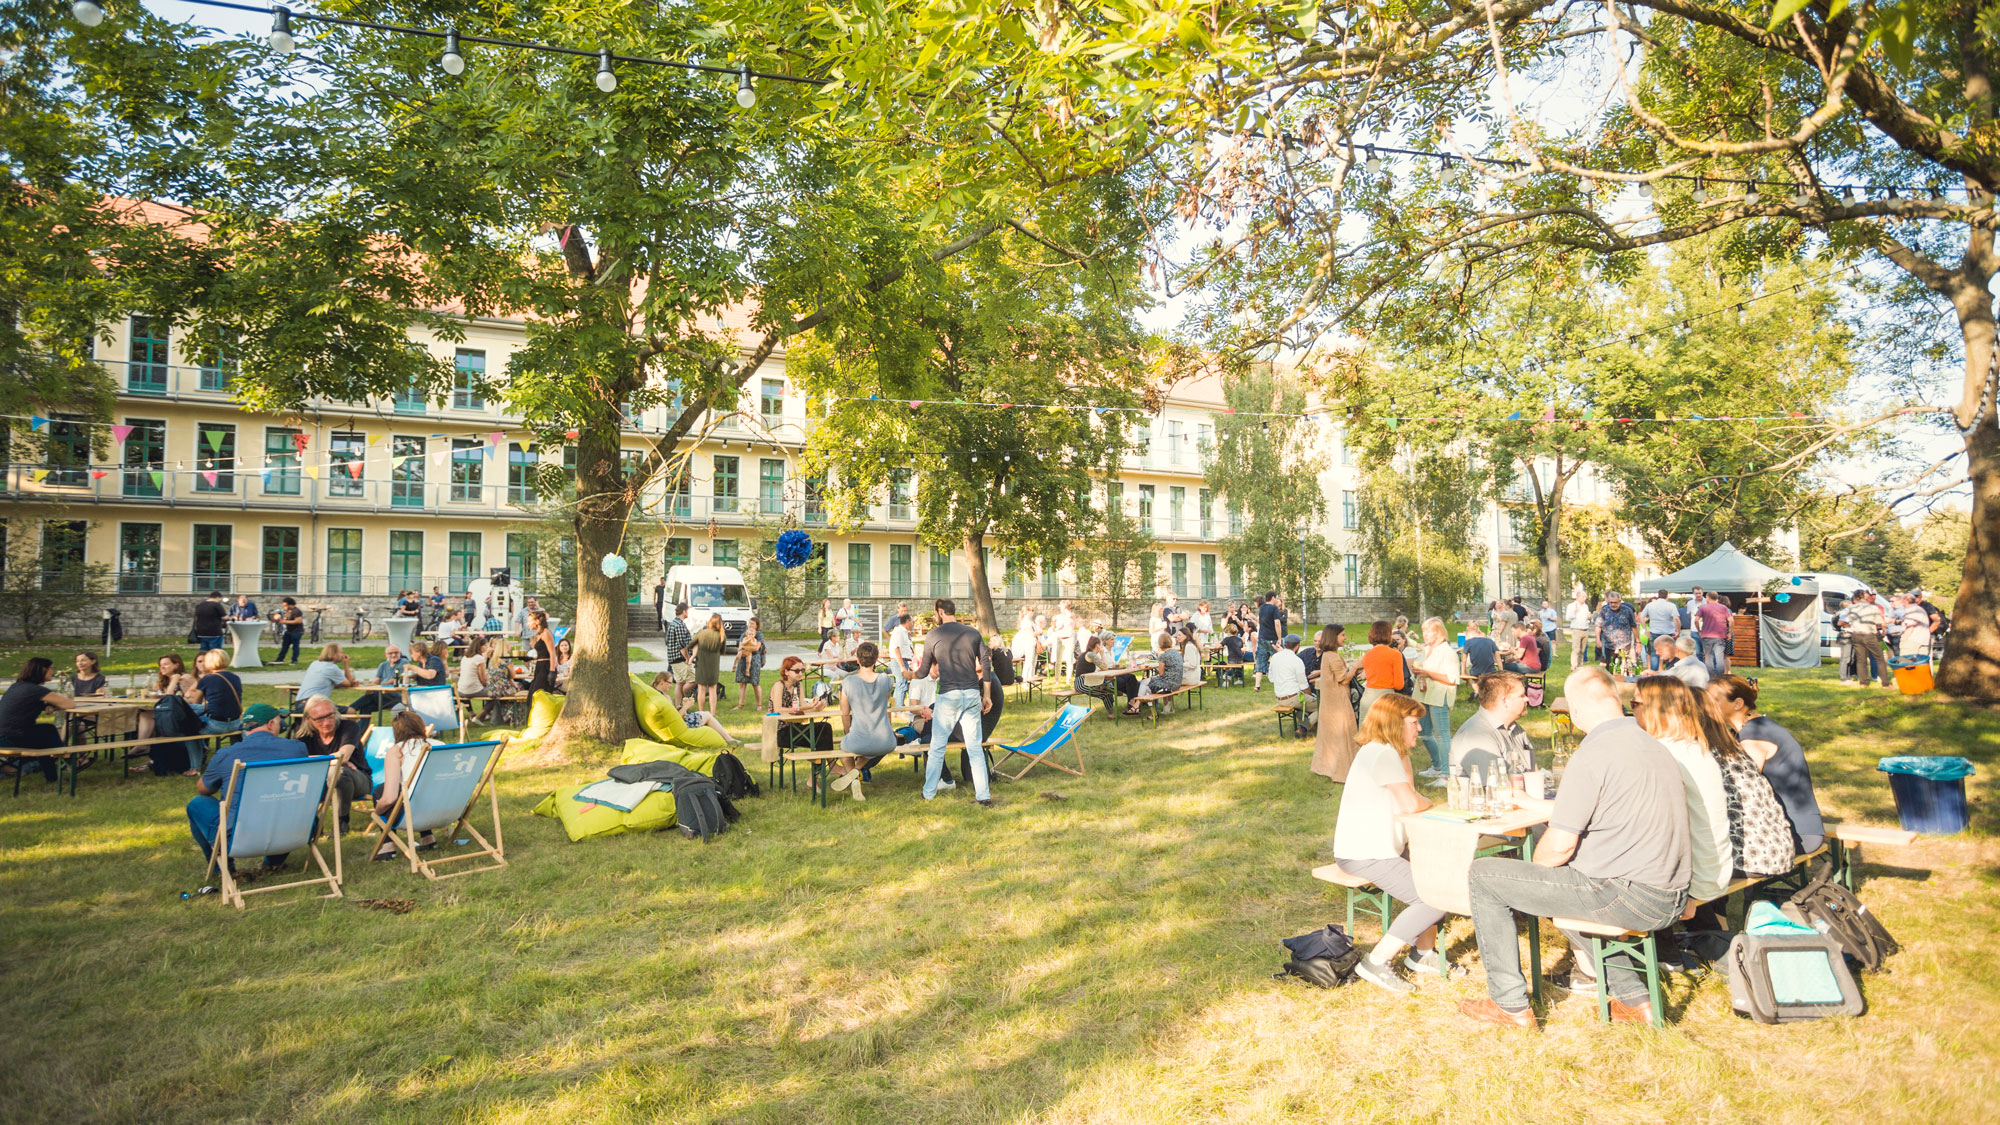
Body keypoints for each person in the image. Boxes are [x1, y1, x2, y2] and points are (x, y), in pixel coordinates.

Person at [1458, 667, 1691, 1029]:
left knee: (1483, 875)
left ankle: (1509, 1005)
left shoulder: (1594, 751)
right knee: (1568, 889)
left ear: (1577, 711)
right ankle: (1634, 1002)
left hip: (1627, 894)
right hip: (1671, 892)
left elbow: (1559, 848)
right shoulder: (1650, 743)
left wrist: (1538, 866)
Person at [1336, 694, 1449, 993]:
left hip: (1374, 848)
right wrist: (1429, 801)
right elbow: (1411, 803)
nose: (1419, 730)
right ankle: (1376, 960)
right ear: (1393, 723)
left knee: (1435, 876)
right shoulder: (1383, 752)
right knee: (1433, 897)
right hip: (1365, 853)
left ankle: (1422, 953)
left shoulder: (1381, 751)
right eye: (1413, 723)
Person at [1630, 676, 1730, 906]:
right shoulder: (1691, 746)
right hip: (1713, 866)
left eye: (1634, 704)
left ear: (1654, 709)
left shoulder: (1662, 753)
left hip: (1694, 878)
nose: (1631, 711)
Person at [185, 703, 311, 876]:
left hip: (239, 839)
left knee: (197, 803)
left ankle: (221, 869)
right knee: (284, 802)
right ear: (271, 724)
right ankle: (273, 863)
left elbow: (203, 789)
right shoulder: (297, 749)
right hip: (292, 832)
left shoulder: (227, 755)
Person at [1706, 676, 1825, 854]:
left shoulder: (1754, 735)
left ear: (1737, 703)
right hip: (1782, 826)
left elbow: (1739, 788)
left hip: (1797, 833)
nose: (1706, 706)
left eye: (1713, 700)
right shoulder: (1752, 727)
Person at [913, 599, 994, 805]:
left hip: (949, 695)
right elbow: (986, 662)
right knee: (974, 748)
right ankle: (983, 796)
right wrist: (986, 694)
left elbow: (923, 671)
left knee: (937, 747)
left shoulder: (934, 635)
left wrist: (908, 674)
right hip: (971, 693)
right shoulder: (973, 633)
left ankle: (928, 793)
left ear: (940, 612)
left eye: (935, 613)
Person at [828, 641, 898, 799]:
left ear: (857, 660)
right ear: (876, 659)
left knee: (844, 750)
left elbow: (845, 713)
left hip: (860, 740)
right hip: (886, 741)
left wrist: (848, 732)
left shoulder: (848, 682)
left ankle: (853, 777)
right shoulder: (886, 680)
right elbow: (885, 705)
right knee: (871, 744)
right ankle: (856, 771)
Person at [296, 696, 371, 835]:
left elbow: (343, 756)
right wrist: (333, 760)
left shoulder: (349, 727)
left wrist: (317, 761)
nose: (327, 722)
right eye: (319, 719)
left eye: (330, 715)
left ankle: (342, 821)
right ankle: (313, 824)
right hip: (320, 783)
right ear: (309, 720)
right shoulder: (303, 736)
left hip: (358, 780)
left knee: (338, 772)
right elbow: (297, 760)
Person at [369, 710, 437, 859]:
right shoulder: (440, 745)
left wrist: (378, 810)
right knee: (424, 786)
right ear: (421, 726)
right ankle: (427, 837)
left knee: (381, 792)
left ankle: (388, 845)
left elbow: (389, 798)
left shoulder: (397, 751)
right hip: (446, 808)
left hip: (415, 813)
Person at [0, 657, 75, 783]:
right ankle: (69, 762)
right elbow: (70, 704)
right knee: (46, 733)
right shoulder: (37, 690)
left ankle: (56, 774)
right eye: (51, 668)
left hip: (3, 736)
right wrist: (52, 704)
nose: (53, 671)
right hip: (11, 738)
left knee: (45, 733)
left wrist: (48, 705)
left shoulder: (16, 687)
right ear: (42, 670)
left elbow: (24, 705)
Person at [1450, 672, 1534, 777]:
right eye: (1521, 695)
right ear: (1505, 701)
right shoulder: (1476, 736)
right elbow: (1498, 789)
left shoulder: (1514, 728)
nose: (1527, 699)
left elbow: (1534, 773)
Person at [1410, 618, 1461, 778]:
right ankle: (1437, 766)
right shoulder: (1427, 649)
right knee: (1424, 732)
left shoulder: (1447, 652)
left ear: (1438, 632)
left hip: (1439, 696)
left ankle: (1446, 775)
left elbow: (1452, 679)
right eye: (1423, 631)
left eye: (1428, 631)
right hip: (1424, 695)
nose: (1424, 634)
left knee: (1442, 734)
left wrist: (1428, 673)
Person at [1310, 625, 1361, 780]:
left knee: (1331, 736)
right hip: (1338, 701)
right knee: (1343, 733)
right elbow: (1343, 679)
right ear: (1334, 637)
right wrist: (1357, 666)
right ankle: (1343, 770)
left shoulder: (1327, 654)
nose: (1345, 638)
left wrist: (1353, 670)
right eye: (1343, 635)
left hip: (1330, 701)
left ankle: (1328, 767)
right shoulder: (1332, 656)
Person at [182, 650, 244, 774]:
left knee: (189, 730)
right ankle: (236, 762)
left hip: (216, 725)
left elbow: (196, 702)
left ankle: (195, 767)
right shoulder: (235, 677)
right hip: (236, 722)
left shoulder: (207, 679)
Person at [773, 656, 833, 754]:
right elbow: (778, 710)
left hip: (796, 729)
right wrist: (807, 707)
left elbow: (804, 708)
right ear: (786, 671)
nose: (800, 673)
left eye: (802, 670)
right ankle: (826, 766)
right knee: (822, 731)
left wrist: (816, 709)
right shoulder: (779, 686)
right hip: (780, 732)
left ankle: (822, 765)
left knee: (824, 728)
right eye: (797, 671)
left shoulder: (798, 685)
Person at [1356, 620, 1407, 724]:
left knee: (1366, 734)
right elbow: (1399, 685)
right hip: (1386, 698)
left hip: (1367, 696)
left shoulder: (1367, 655)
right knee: (1386, 734)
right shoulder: (1395, 655)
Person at [1075, 634, 1141, 713]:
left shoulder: (1089, 654)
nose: (1102, 645)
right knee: (1106, 694)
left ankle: (1123, 700)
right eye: (1101, 644)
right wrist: (1102, 653)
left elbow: (1104, 668)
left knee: (1130, 679)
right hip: (1083, 683)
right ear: (1097, 645)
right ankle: (1113, 712)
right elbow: (1105, 667)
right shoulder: (1091, 654)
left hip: (1088, 681)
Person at [1267, 633, 1312, 737]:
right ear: (1297, 646)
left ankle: (1302, 716)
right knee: (1321, 706)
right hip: (1294, 698)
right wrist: (1311, 696)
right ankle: (1303, 728)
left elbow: (1271, 678)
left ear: (1285, 644)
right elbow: (1304, 686)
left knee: (1304, 704)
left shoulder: (1275, 657)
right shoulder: (1297, 661)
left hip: (1279, 698)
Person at [348, 645, 408, 718]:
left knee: (372, 695)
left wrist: (379, 686)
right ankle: (362, 729)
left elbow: (395, 679)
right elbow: (376, 680)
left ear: (400, 653)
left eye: (396, 653)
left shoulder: (403, 662)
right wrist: (370, 687)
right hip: (381, 695)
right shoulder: (383, 665)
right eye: (390, 653)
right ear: (386, 655)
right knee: (366, 707)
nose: (394, 655)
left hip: (395, 696)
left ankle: (349, 709)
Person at [1136, 628, 1186, 715]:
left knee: (1144, 683)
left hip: (1168, 684)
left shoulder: (1163, 656)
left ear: (1160, 643)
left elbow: (1161, 673)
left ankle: (1137, 705)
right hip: (1177, 683)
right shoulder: (1176, 653)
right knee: (1147, 687)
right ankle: (1167, 709)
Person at [692, 613, 725, 715]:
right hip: (714, 664)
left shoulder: (702, 633)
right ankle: (713, 712)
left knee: (701, 688)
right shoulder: (721, 635)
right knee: (713, 689)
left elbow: (690, 644)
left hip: (701, 663)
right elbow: (722, 651)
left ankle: (701, 711)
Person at [1596, 591, 1637, 670]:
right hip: (1609, 645)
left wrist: (1638, 641)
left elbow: (1633, 626)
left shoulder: (1627, 610)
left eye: (1615, 603)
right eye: (1611, 603)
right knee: (1610, 667)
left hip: (1624, 645)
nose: (1613, 605)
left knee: (1624, 668)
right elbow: (1598, 625)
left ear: (1620, 601)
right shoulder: (1604, 611)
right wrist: (1598, 639)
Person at [664, 601, 695, 706]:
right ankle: (684, 700)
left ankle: (677, 706)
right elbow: (682, 644)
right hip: (680, 659)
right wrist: (687, 658)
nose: (688, 613)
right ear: (684, 611)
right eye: (688, 611)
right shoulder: (680, 625)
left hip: (673, 659)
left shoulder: (673, 623)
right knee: (694, 680)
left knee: (679, 683)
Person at [1694, 590, 1731, 676]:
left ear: (1707, 598)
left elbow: (1696, 620)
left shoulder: (1703, 607)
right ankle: (1721, 676)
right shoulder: (1724, 608)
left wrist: (1699, 630)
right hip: (1720, 636)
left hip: (1706, 635)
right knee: (1719, 657)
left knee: (1708, 657)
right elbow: (1731, 620)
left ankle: (1710, 675)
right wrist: (1730, 632)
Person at [1253, 592, 1285, 692]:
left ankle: (1257, 685)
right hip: (1272, 639)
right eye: (1276, 598)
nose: (1276, 600)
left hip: (1262, 638)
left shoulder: (1261, 608)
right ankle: (1282, 683)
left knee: (1260, 661)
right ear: (1272, 598)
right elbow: (1277, 623)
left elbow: (1261, 621)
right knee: (1280, 660)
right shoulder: (1274, 608)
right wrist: (1279, 638)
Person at [882, 613, 914, 708]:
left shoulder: (904, 632)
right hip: (899, 661)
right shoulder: (899, 631)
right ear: (907, 621)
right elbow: (896, 649)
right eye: (912, 622)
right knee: (901, 684)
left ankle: (897, 707)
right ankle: (899, 709)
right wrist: (902, 667)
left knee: (902, 684)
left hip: (904, 661)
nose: (913, 624)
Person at [457, 636, 493, 716]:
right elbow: (483, 679)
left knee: (467, 691)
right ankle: (480, 716)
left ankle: (471, 713)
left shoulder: (465, 657)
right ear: (479, 646)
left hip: (461, 690)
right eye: (485, 646)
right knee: (496, 695)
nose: (487, 647)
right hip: (474, 690)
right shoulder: (479, 658)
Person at [526, 610, 556, 699]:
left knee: (538, 694)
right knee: (531, 695)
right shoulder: (539, 634)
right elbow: (543, 653)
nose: (528, 624)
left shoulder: (546, 633)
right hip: (539, 666)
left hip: (545, 667)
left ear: (537, 621)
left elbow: (552, 652)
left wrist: (552, 671)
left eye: (530, 621)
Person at [1563, 591, 1594, 667]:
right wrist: (1575, 611)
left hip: (1585, 629)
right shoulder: (1572, 606)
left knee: (1582, 650)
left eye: (1585, 597)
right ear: (1578, 597)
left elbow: (1588, 617)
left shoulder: (1585, 606)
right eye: (1583, 597)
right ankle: (1574, 666)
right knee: (1576, 649)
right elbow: (1568, 617)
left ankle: (1580, 665)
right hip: (1576, 629)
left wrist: (1590, 618)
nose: (1585, 598)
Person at [1011, 608, 1042, 683]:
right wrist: (1039, 632)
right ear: (1027, 612)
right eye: (1032, 610)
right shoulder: (1025, 622)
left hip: (1034, 642)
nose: (1033, 612)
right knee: (1029, 662)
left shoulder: (1031, 622)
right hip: (1028, 643)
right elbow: (1031, 633)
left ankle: (1031, 679)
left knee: (1033, 663)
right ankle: (1025, 680)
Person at [274, 597, 306, 665]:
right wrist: (281, 619)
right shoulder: (288, 611)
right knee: (284, 646)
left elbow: (298, 621)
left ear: (290, 604)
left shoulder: (297, 611)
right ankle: (280, 659)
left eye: (285, 605)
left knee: (295, 647)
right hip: (289, 631)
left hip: (296, 631)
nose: (284, 607)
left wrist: (286, 622)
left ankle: (294, 661)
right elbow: (286, 619)